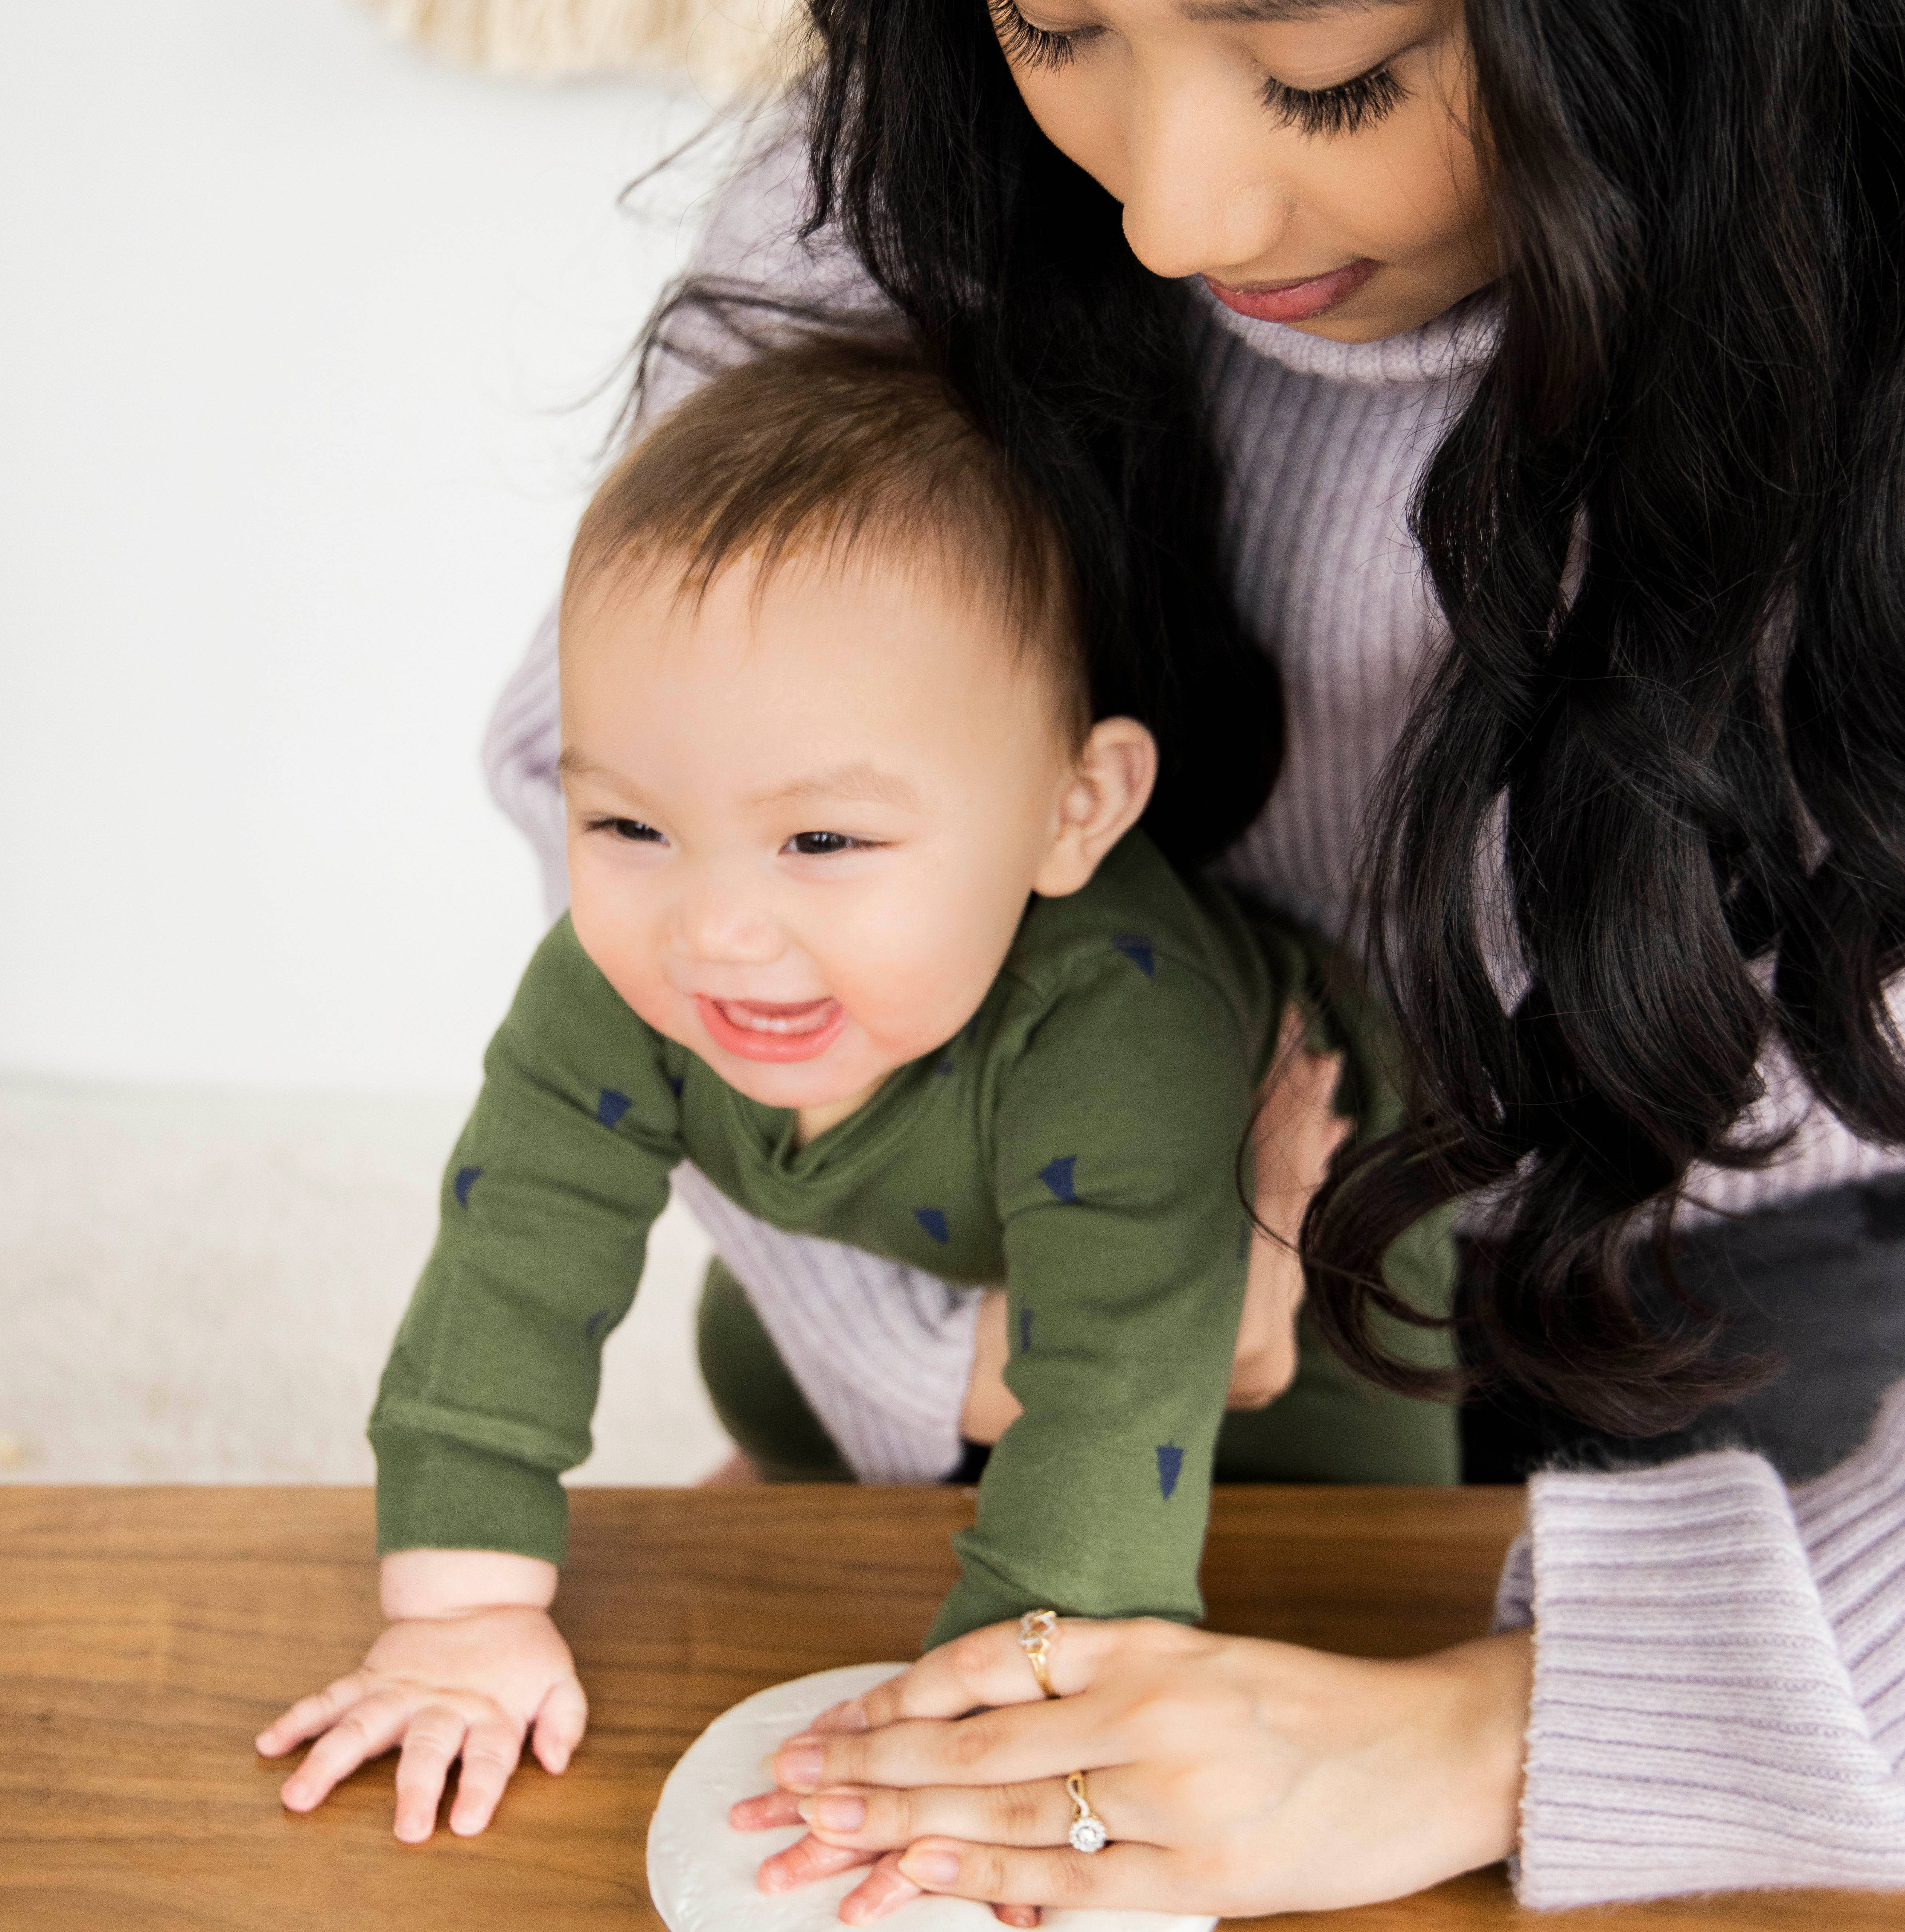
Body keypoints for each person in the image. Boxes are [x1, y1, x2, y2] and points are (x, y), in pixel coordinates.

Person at [493, 0, 1905, 1918]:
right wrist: (959, 1356)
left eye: (1328, 68)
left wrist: (1500, 1733)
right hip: (1085, 1181)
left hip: (1690, 1260)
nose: (1166, 210)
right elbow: (616, 774)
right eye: (1048, 19)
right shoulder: (930, 161)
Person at [256, 333, 1452, 1844]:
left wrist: (989, 1733)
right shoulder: (615, 979)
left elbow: (1109, 1404)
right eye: (629, 825)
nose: (715, 930)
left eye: (821, 841)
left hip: (1304, 1217)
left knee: (1338, 1556)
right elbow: (513, 1263)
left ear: (1072, 810)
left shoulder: (1119, 1033)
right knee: (756, 1359)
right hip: (956, 1208)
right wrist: (459, 1614)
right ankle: (842, 1476)